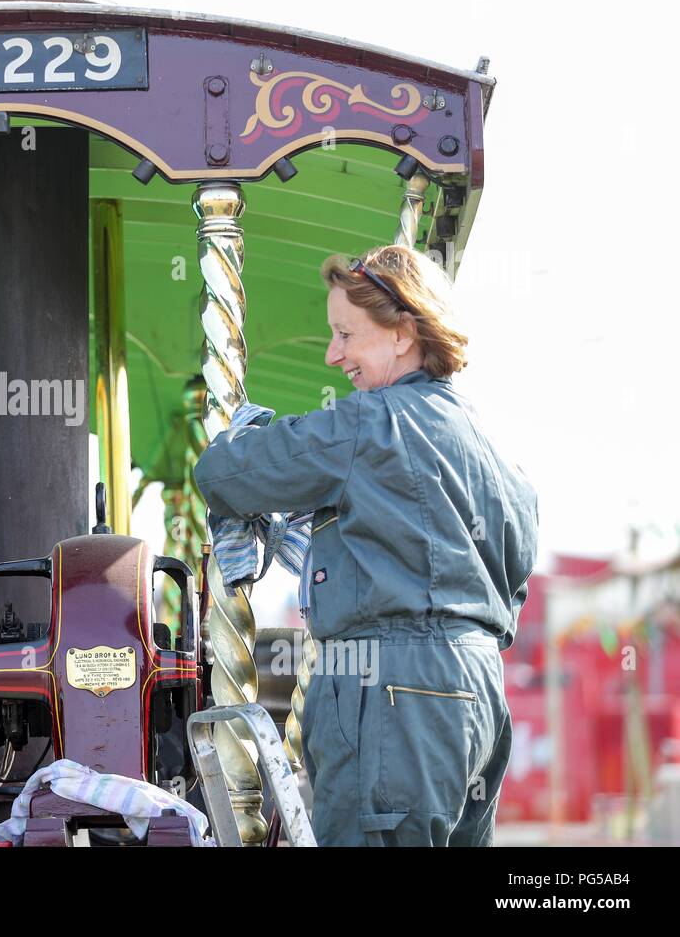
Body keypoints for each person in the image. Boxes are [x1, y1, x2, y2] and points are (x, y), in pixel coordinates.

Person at [194, 244, 538, 846]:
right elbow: (515, 582)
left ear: (403, 332)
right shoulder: (498, 457)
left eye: (345, 334)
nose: (334, 355)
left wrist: (236, 436)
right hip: (481, 689)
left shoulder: (368, 423)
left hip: (390, 693)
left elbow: (226, 476)